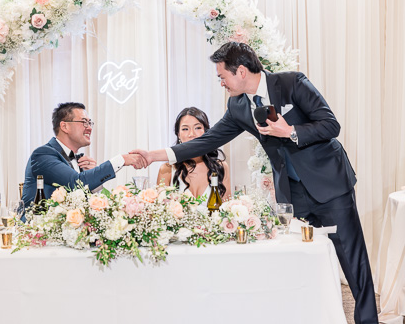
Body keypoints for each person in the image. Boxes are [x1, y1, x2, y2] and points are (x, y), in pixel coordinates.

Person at [133, 42, 378, 324]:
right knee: (299, 259)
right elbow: (207, 141)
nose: (221, 83)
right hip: (291, 192)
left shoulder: (292, 83)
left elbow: (330, 124)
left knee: (352, 259)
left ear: (240, 71)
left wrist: (291, 131)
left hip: (329, 184)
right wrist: (153, 155)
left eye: (222, 77)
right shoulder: (237, 106)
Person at [22, 102, 146, 206]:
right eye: (84, 122)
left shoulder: (81, 162)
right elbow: (77, 183)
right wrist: (121, 160)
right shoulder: (43, 155)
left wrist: (94, 180)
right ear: (64, 126)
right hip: (37, 231)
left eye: (90, 123)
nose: (89, 128)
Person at [157, 107, 231, 200]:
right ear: (178, 134)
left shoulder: (221, 167)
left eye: (198, 128)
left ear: (206, 132)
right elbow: (159, 210)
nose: (192, 134)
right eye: (185, 129)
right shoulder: (166, 170)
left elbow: (227, 210)